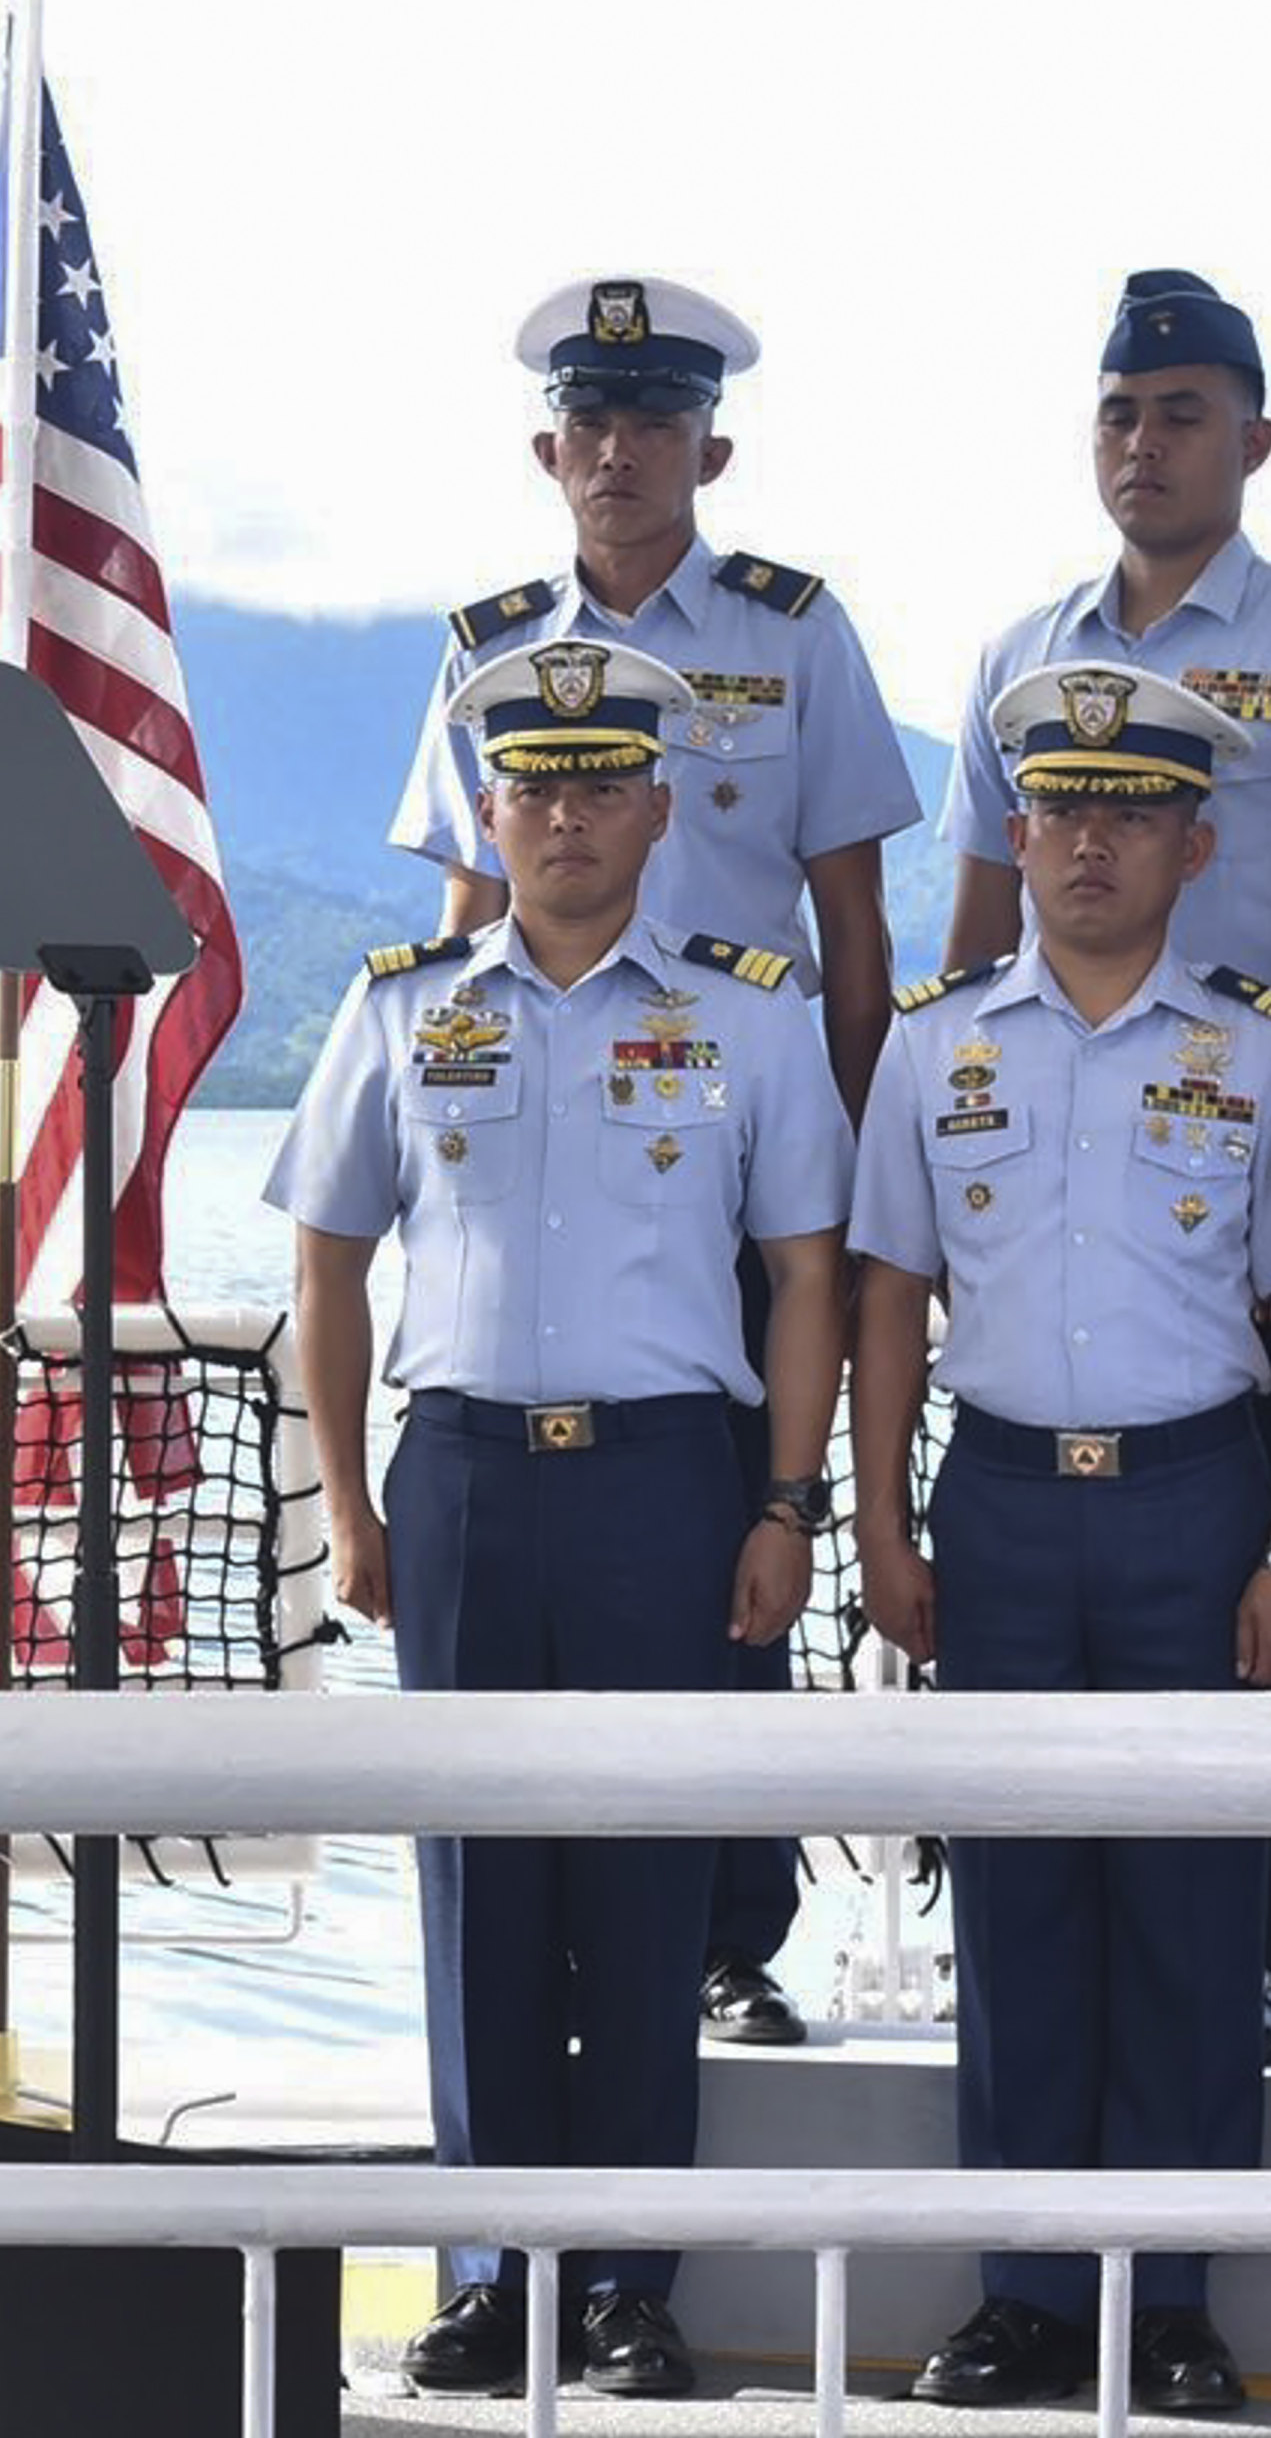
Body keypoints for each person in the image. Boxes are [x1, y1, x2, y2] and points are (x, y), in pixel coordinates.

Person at [274, 639, 848, 2400]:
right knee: (478, 1896)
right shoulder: (400, 1009)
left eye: (605, 783)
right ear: (490, 809)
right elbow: (326, 1250)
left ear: (663, 809)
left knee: (649, 1893)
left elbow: (809, 1272)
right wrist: (348, 1496)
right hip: (456, 1479)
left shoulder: (752, 1010)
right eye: (536, 784)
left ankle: (624, 2287)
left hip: (673, 1484)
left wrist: (787, 1503)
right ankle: (490, 2273)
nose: (570, 813)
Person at [392, 275, 916, 2047]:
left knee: (736, 1548)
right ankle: (546, 1948)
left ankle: (728, 1930)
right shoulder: (480, 644)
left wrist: (848, 1182)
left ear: (714, 445)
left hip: (748, 1146)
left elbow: (857, 927)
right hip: (555, 1147)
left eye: (652, 419)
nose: (618, 450)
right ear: (549, 448)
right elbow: (464, 905)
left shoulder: (791, 635)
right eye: (589, 420)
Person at [853, 659, 1267, 2414]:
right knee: (1015, 1906)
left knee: (1191, 1910)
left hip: (1200, 1496)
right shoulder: (936, 1045)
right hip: (1004, 1501)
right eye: (1064, 811)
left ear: (1195, 843)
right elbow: (885, 1299)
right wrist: (874, 1521)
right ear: (1016, 837)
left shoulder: (1251, 1051)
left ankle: (1167, 2305)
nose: (1092, 842)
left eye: (1132, 813)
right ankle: (1026, 2294)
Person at [938, 272, 1271, 977]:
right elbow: (980, 934)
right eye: (1118, 416)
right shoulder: (1018, 659)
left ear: (1252, 446)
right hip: (1044, 1080)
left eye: (1180, 418)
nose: (1141, 443)